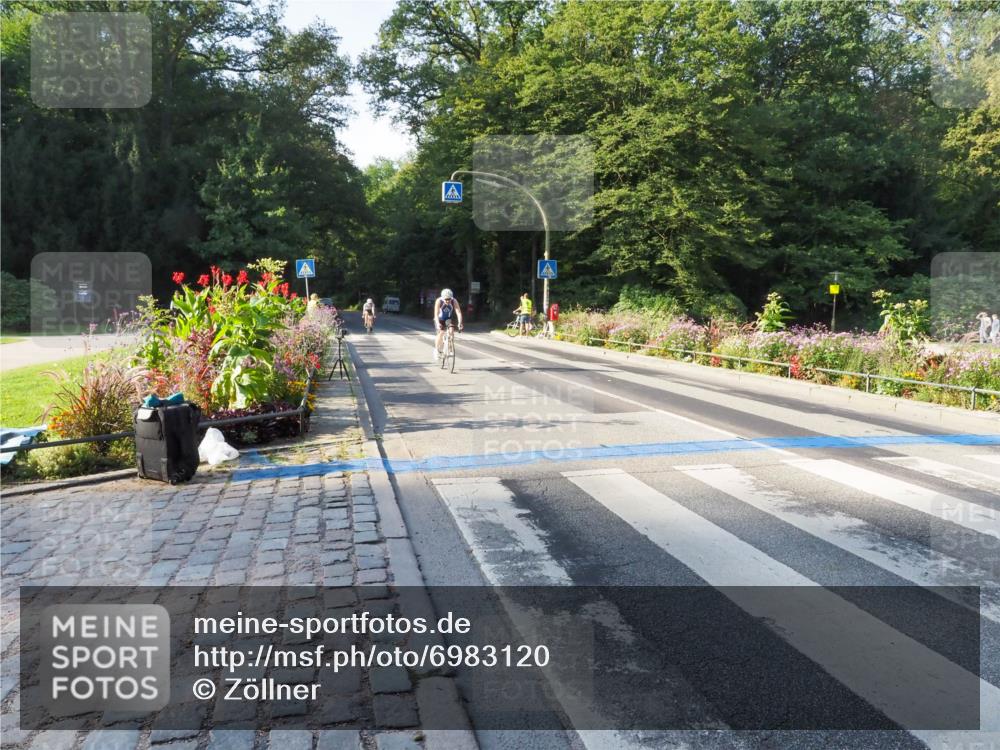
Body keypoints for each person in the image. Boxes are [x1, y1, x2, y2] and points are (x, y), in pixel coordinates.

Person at [433, 288, 463, 360]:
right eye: (446, 299)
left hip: (448, 318)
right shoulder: (439, 301)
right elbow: (436, 314)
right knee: (441, 332)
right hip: (439, 319)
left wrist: (460, 323)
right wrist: (437, 323)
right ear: (443, 298)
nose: (447, 301)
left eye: (449, 299)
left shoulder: (454, 301)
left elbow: (458, 312)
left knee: (451, 330)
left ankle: (450, 347)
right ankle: (436, 350)